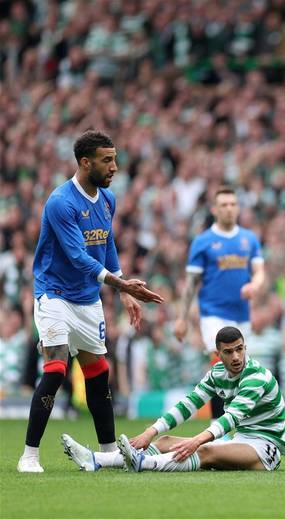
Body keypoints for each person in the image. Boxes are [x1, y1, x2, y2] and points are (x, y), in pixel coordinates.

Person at [18, 130, 165, 473]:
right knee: (56, 369)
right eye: (107, 160)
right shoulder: (61, 202)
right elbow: (76, 256)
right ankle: (29, 455)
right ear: (85, 163)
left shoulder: (107, 200)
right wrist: (121, 284)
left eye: (114, 158)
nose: (115, 166)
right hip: (54, 294)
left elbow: (106, 243)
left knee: (99, 374)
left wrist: (123, 290)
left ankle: (110, 453)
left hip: (88, 299)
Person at [61, 326, 285, 472]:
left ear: (245, 347)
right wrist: (150, 432)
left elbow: (231, 417)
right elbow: (188, 405)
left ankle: (143, 463)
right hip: (241, 438)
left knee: (203, 451)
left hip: (265, 448)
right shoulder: (217, 374)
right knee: (165, 441)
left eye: (240, 349)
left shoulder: (256, 377)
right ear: (217, 355)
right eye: (229, 352)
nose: (236, 356)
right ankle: (97, 459)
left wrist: (197, 440)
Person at [173, 186, 266, 419]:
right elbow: (191, 283)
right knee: (220, 362)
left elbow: (260, 272)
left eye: (233, 204)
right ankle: (218, 426)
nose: (229, 209)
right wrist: (182, 318)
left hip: (241, 315)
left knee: (239, 368)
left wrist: (254, 285)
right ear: (215, 209)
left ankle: (238, 422)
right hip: (213, 313)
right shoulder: (203, 242)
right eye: (224, 205)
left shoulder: (249, 239)